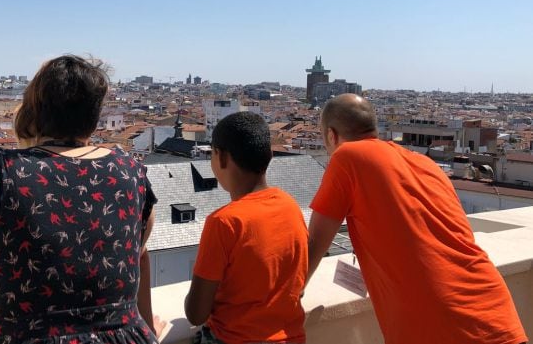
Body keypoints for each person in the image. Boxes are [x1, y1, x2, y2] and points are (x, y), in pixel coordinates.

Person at [0, 55, 161, 344]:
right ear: (93, 115)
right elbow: (137, 257)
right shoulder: (132, 175)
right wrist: (148, 331)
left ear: (34, 109)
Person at [307, 93, 527, 344]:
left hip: (441, 327)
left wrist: (285, 297)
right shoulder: (426, 164)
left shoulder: (347, 157)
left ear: (331, 136)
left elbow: (314, 244)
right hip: (496, 313)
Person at [185, 111, 308, 344]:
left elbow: (196, 313)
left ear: (220, 157)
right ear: (270, 155)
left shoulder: (224, 223)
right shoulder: (291, 207)